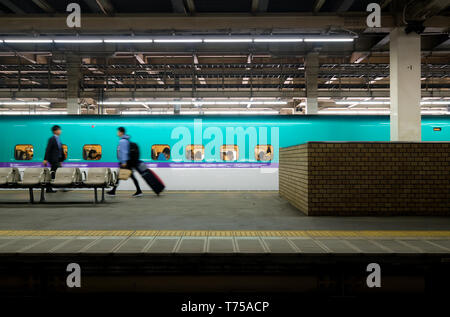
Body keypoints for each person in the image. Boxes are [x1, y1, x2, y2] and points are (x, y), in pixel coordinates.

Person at [107, 127, 142, 197]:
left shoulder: (122, 141)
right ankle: (138, 190)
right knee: (124, 177)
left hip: (125, 163)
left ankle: (113, 191)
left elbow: (124, 152)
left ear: (121, 132)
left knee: (120, 177)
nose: (117, 133)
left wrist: (124, 162)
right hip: (127, 162)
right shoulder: (126, 140)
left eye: (118, 132)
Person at [43, 125, 65, 193]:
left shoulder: (58, 139)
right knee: (54, 173)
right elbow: (48, 149)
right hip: (54, 160)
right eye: (59, 130)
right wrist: (45, 159)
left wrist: (61, 160)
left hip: (58, 160)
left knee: (55, 173)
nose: (60, 131)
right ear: (55, 131)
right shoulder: (52, 139)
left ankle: (50, 188)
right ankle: (50, 188)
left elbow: (60, 150)